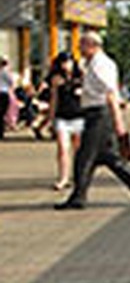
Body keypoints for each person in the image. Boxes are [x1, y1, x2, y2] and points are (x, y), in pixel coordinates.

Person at [55, 31, 130, 210]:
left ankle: (78, 197)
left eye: (82, 45)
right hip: (98, 114)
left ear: (92, 45)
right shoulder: (95, 63)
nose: (79, 49)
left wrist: (118, 121)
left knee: (83, 158)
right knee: (109, 158)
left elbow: (109, 91)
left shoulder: (100, 64)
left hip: (99, 115)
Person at [47, 51, 84, 192]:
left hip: (79, 115)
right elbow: (54, 98)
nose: (65, 65)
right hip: (62, 116)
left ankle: (78, 176)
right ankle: (63, 178)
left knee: (78, 149)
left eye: (68, 62)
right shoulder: (56, 78)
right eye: (63, 62)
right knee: (62, 148)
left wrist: (83, 92)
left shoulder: (81, 76)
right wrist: (50, 118)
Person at [0, 57, 13, 140]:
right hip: (4, 93)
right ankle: (1, 132)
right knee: (2, 114)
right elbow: (11, 82)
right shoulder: (6, 72)